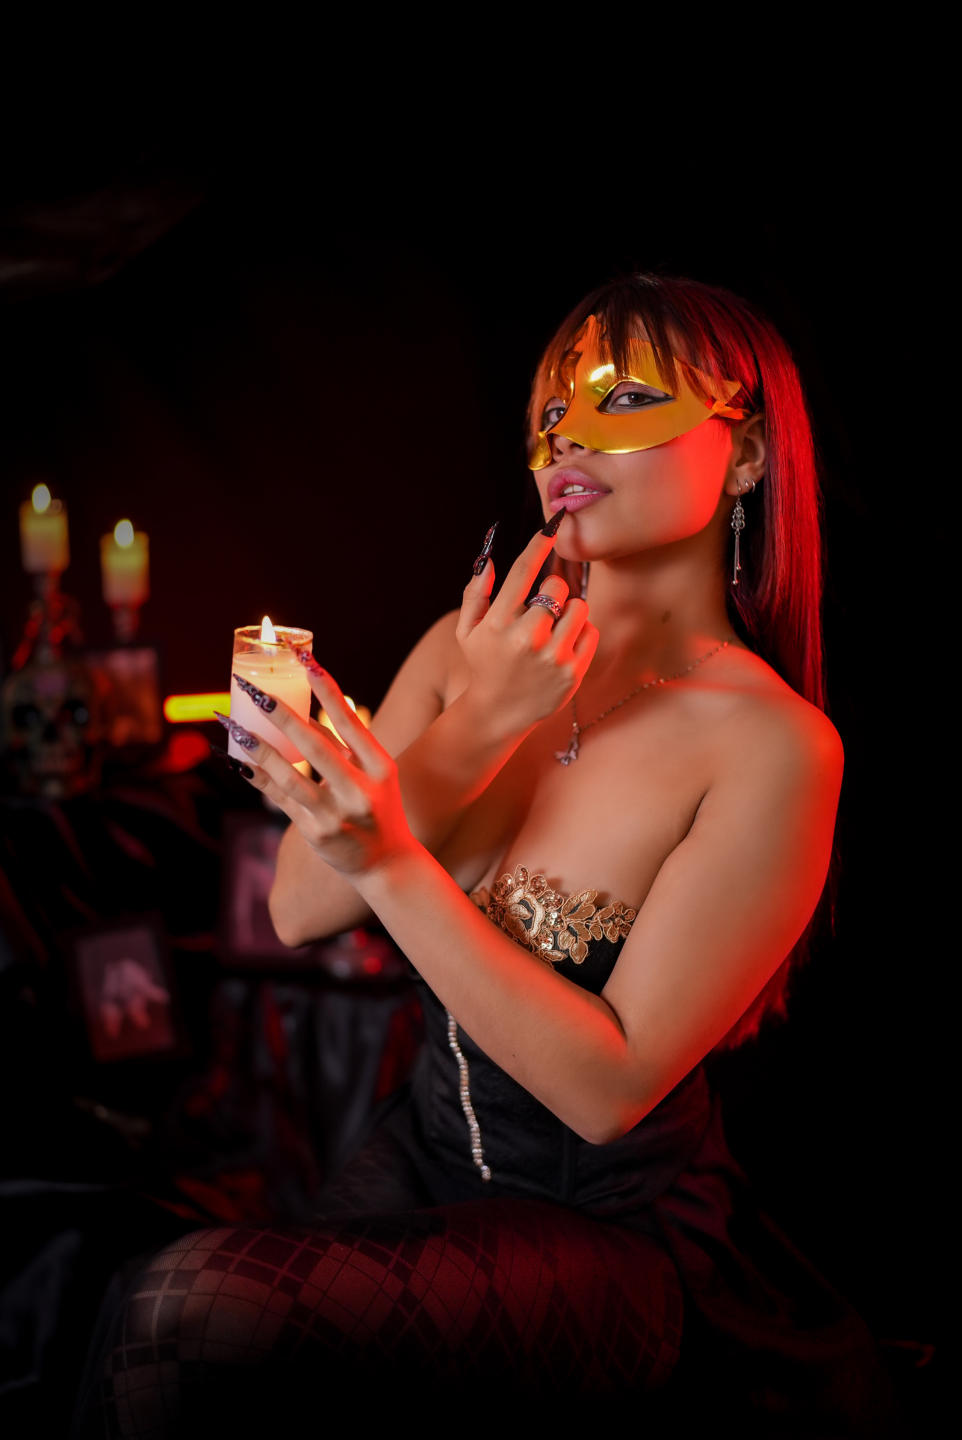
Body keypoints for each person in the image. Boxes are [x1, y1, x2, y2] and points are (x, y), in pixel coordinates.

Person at [81, 274, 893, 1436]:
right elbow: (297, 908)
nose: (569, 435)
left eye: (626, 398)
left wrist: (393, 859)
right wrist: (484, 715)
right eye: (552, 410)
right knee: (150, 1313)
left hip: (611, 1236)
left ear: (748, 455)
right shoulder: (471, 650)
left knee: (183, 1313)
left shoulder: (773, 747)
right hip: (422, 1153)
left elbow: (607, 1091)